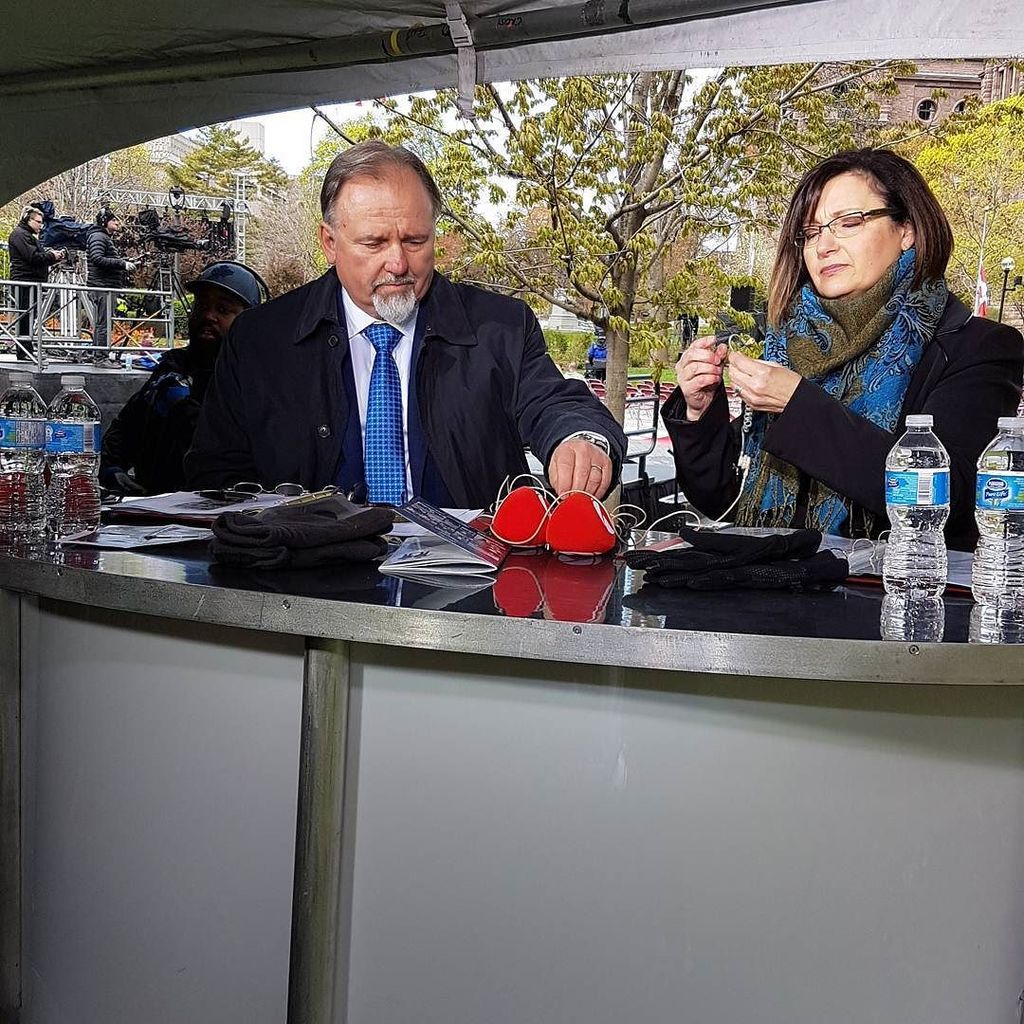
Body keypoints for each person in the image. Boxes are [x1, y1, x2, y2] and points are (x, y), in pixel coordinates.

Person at [186, 142, 626, 507]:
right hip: (303, 583)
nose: (398, 263)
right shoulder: (261, 341)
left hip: (467, 588)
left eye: (415, 240)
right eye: (374, 243)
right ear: (329, 243)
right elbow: (216, 472)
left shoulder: (501, 328)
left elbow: (554, 402)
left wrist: (581, 438)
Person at [664, 148, 1024, 550]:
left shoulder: (977, 347)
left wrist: (798, 405)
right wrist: (700, 411)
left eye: (848, 223)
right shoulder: (793, 344)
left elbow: (951, 500)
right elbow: (722, 499)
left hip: (894, 600)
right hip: (771, 596)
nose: (824, 246)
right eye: (811, 233)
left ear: (908, 230)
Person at [100, 262, 266, 495]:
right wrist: (110, 469)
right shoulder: (171, 371)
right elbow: (124, 430)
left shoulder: (261, 382)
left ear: (250, 321)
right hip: (155, 512)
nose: (209, 316)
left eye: (223, 309)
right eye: (202, 305)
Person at [7, 205, 65, 360]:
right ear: (28, 219)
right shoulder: (20, 235)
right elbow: (33, 258)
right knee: (25, 318)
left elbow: (37, 258)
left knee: (29, 317)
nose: (41, 225)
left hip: (31, 281)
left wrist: (52, 257)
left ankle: (27, 350)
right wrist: (52, 256)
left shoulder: (27, 236)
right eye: (38, 222)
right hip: (25, 282)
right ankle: (24, 351)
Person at [86, 210, 135, 367]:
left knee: (103, 323)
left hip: (104, 285)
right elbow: (97, 258)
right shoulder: (99, 237)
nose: (117, 223)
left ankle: (99, 354)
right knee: (104, 324)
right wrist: (122, 264)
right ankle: (101, 358)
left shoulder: (102, 237)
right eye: (113, 220)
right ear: (104, 222)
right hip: (102, 287)